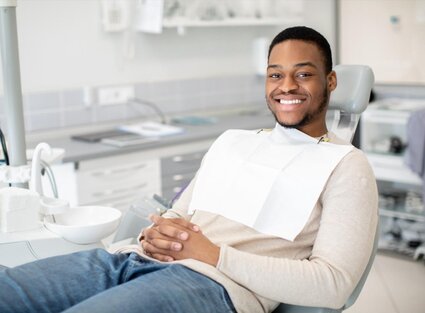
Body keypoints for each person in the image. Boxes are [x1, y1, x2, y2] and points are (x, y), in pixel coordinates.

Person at [0, 26, 378, 313]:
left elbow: (334, 284)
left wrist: (213, 255)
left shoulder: (346, 165)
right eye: (275, 74)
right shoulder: (234, 141)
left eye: (304, 74)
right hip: (127, 258)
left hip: (209, 286)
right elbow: (180, 214)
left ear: (330, 81)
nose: (286, 86)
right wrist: (156, 232)